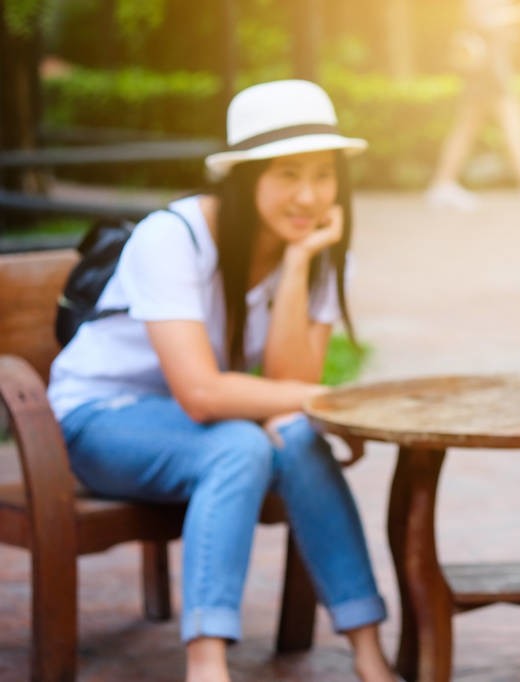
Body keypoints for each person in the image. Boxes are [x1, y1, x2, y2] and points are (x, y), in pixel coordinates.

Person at [47, 80, 397, 682]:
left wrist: (297, 264)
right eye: (287, 175)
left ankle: (369, 651)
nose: (309, 196)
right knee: (240, 445)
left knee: (300, 438)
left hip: (196, 426)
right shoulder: (172, 236)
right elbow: (202, 394)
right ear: (245, 177)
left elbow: (286, 383)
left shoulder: (319, 251)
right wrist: (325, 400)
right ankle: (206, 666)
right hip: (98, 420)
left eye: (322, 174)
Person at [424, 0, 520, 210]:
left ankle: (443, 184)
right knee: (512, 123)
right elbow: (482, 19)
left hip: (485, 67)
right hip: (489, 68)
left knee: (467, 127)